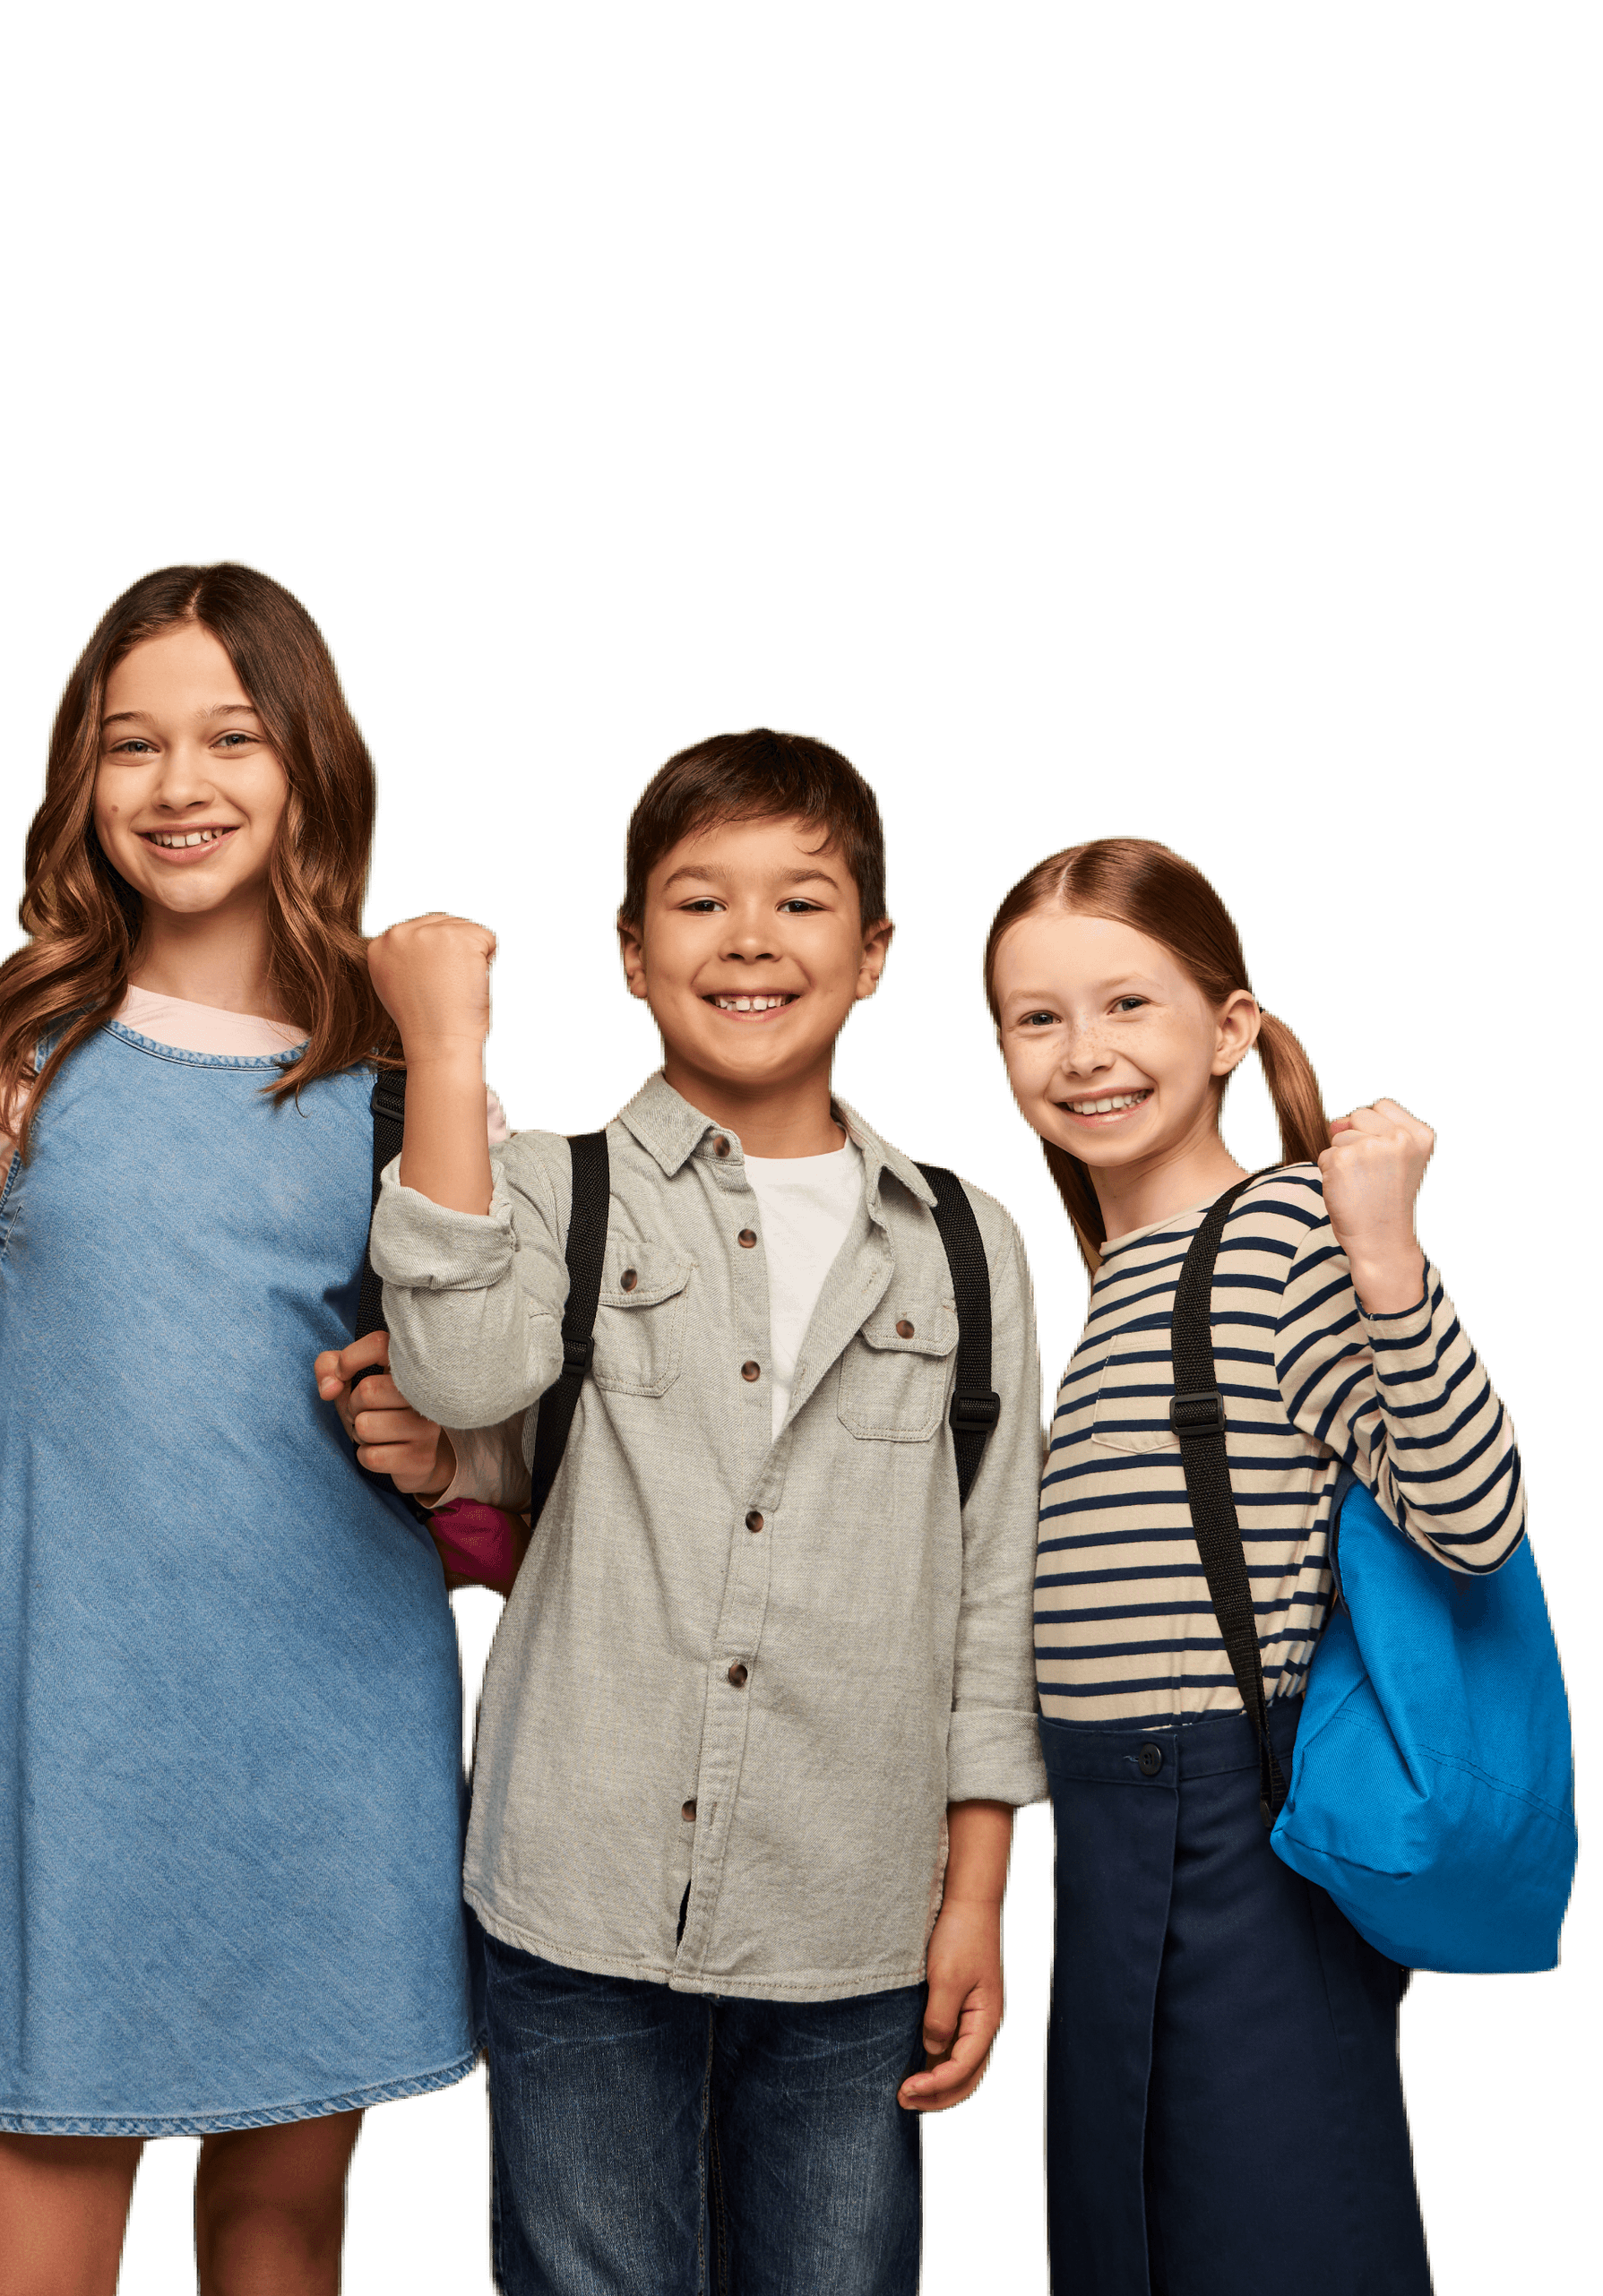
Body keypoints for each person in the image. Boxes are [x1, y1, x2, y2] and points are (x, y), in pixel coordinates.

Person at [0, 560, 491, 2296]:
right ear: (82, 782)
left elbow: (490, 1405)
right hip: (82, 1748)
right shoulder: (27, 1044)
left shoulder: (404, 1075)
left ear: (309, 764)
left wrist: (434, 1436)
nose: (179, 784)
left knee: (284, 2238)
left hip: (332, 1740)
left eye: (230, 735)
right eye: (130, 744)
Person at [366, 727, 1045, 2294]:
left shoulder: (965, 1240)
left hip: (856, 1913)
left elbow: (990, 1592)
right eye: (697, 902)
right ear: (627, 951)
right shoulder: (547, 1183)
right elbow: (463, 1372)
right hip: (580, 1887)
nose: (749, 940)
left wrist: (980, 1897)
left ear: (874, 954)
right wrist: (449, 1051)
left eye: (802, 903)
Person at [981, 834, 1529, 2294]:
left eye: (1128, 1005)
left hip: (1232, 1824)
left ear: (1229, 1027)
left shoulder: (1283, 1233)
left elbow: (1475, 1516)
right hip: (1110, 1842)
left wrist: (1390, 1257)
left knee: (1277, 2241)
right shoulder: (1108, 1279)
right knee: (1134, 2249)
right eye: (1037, 1018)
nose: (1082, 1053)